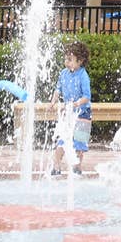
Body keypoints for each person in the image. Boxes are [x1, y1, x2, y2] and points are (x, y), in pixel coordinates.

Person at [50, 40, 92, 176]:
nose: (66, 62)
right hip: (68, 113)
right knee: (62, 139)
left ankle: (77, 167)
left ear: (80, 61)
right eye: (65, 59)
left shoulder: (83, 75)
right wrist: (53, 101)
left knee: (79, 142)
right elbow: (58, 89)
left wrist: (77, 103)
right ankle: (56, 165)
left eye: (70, 59)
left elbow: (87, 96)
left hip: (83, 113)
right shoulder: (64, 73)